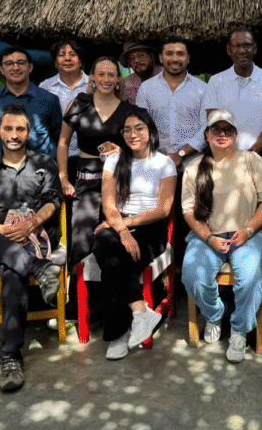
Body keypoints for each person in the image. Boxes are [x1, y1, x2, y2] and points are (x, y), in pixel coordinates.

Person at [0, 104, 63, 392]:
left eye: (20, 129)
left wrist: (29, 226)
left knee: (10, 271)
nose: (14, 134)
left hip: (38, 234)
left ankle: (10, 355)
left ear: (28, 133)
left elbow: (53, 201)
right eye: (8, 128)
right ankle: (40, 269)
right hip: (1, 237)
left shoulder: (45, 163)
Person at [181, 110, 262, 363]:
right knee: (193, 275)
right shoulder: (194, 168)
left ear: (235, 135)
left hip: (248, 232)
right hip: (208, 235)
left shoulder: (251, 160)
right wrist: (208, 237)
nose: (222, 135)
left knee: (251, 276)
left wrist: (248, 230)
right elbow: (189, 211)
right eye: (216, 130)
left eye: (228, 130)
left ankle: (239, 329)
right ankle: (214, 315)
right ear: (207, 135)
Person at [91, 108, 177, 359]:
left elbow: (163, 209)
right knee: (105, 243)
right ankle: (140, 312)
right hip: (119, 222)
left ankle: (117, 335)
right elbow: (109, 205)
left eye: (139, 128)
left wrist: (126, 227)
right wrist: (122, 229)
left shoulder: (164, 163)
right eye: (126, 130)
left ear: (150, 131)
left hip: (151, 229)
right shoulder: (114, 161)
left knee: (114, 261)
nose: (132, 134)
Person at [58, 57, 135, 284]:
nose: (106, 79)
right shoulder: (80, 104)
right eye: (101, 74)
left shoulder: (129, 110)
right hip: (86, 180)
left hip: (118, 181)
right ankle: (80, 305)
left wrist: (122, 149)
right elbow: (63, 143)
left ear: (119, 80)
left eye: (111, 75)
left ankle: (116, 301)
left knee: (114, 238)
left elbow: (142, 145)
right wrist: (64, 178)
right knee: (81, 239)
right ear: (92, 77)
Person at [203, 27, 262, 176]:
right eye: (236, 46)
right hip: (224, 157)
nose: (242, 51)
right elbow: (213, 121)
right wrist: (228, 154)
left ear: (254, 49)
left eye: (247, 45)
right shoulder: (216, 81)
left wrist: (251, 154)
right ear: (229, 50)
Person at [136, 39, 207, 168]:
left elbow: (206, 128)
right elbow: (141, 126)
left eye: (180, 54)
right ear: (161, 58)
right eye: (169, 53)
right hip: (156, 163)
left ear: (188, 58)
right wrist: (162, 157)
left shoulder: (203, 89)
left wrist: (181, 154)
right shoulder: (146, 89)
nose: (175, 59)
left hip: (194, 165)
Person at [0, 46, 62, 157]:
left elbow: (58, 137)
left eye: (21, 63)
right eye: (9, 63)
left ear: (30, 67)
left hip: (40, 169)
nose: (15, 67)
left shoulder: (49, 100)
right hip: (1, 169)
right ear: (1, 70)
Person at [39, 39, 89, 182]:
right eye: (61, 55)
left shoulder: (93, 85)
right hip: (57, 157)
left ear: (80, 61)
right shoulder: (45, 87)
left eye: (72, 54)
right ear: (55, 63)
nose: (67, 58)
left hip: (88, 157)